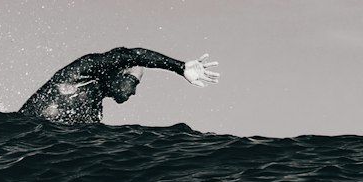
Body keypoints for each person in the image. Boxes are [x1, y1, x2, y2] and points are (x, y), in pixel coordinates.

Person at [19, 47, 219, 123]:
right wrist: (180, 67)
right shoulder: (84, 69)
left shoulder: (94, 113)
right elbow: (134, 54)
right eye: (134, 82)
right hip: (15, 139)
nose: (133, 92)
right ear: (120, 73)